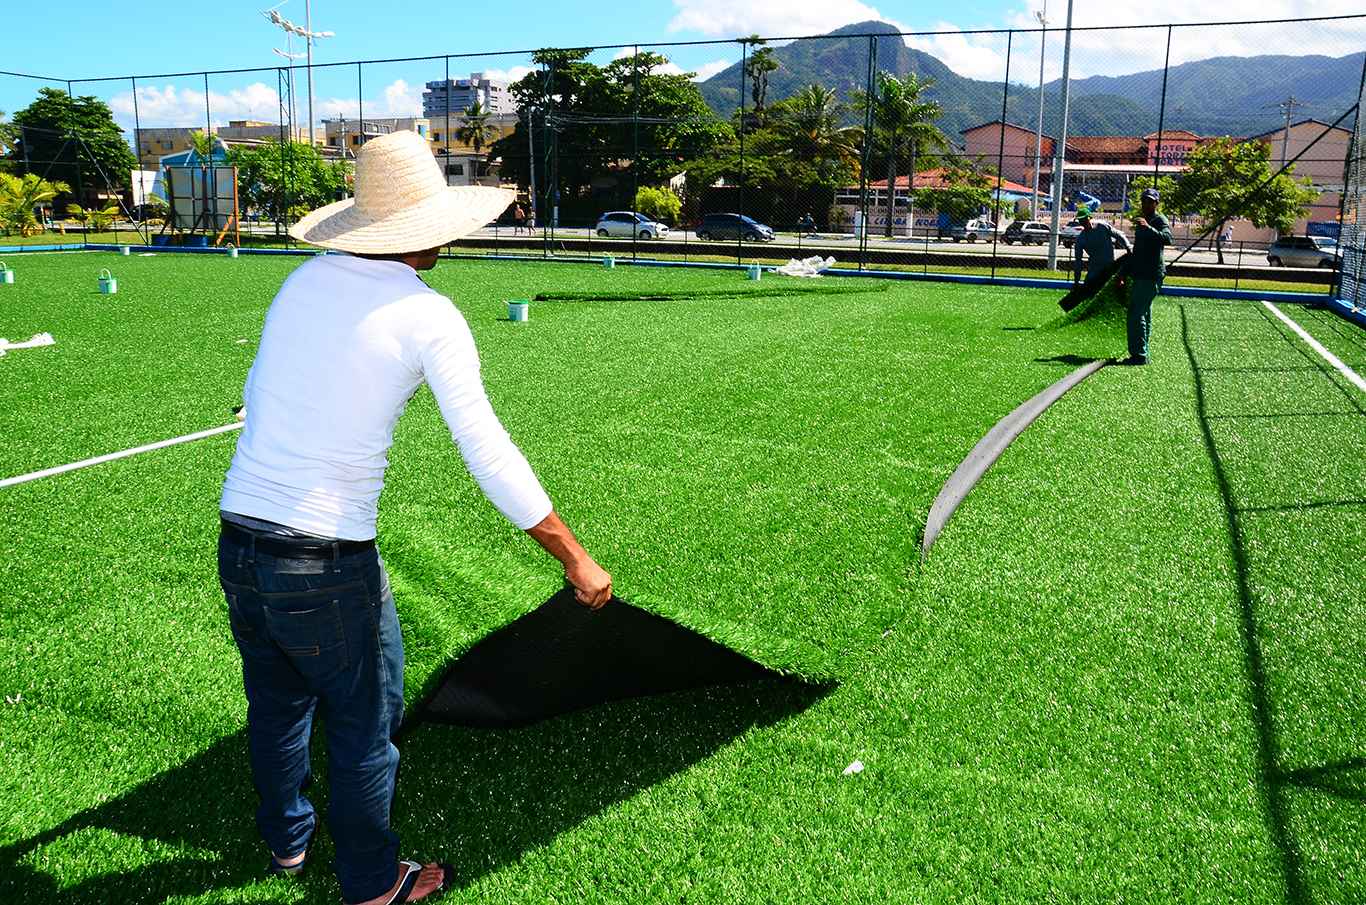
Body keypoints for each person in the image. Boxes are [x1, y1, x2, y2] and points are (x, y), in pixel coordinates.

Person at [218, 130, 612, 905]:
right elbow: (488, 451)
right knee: (366, 722)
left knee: (277, 702)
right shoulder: (427, 315)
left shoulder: (300, 284)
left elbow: (262, 391)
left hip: (239, 539)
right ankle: (372, 883)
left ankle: (287, 839)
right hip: (326, 559)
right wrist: (573, 555)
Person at [1124, 187, 1173, 366]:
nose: (1146, 204)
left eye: (1150, 201)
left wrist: (1148, 227)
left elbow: (1168, 238)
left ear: (1156, 203)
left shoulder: (1159, 220)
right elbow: (1138, 251)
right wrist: (1125, 272)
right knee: (1144, 312)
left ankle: (1139, 354)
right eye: (1144, 200)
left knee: (1136, 313)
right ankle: (1143, 351)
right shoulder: (1144, 221)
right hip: (1141, 273)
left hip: (1151, 275)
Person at [1071, 204, 1130, 287]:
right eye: (1080, 220)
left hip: (1109, 266)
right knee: (1088, 289)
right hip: (1094, 268)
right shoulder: (1081, 239)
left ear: (1090, 217)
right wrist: (1076, 281)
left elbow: (1119, 235)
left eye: (1084, 219)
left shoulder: (1102, 226)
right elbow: (1078, 262)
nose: (1083, 222)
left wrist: (1128, 247)